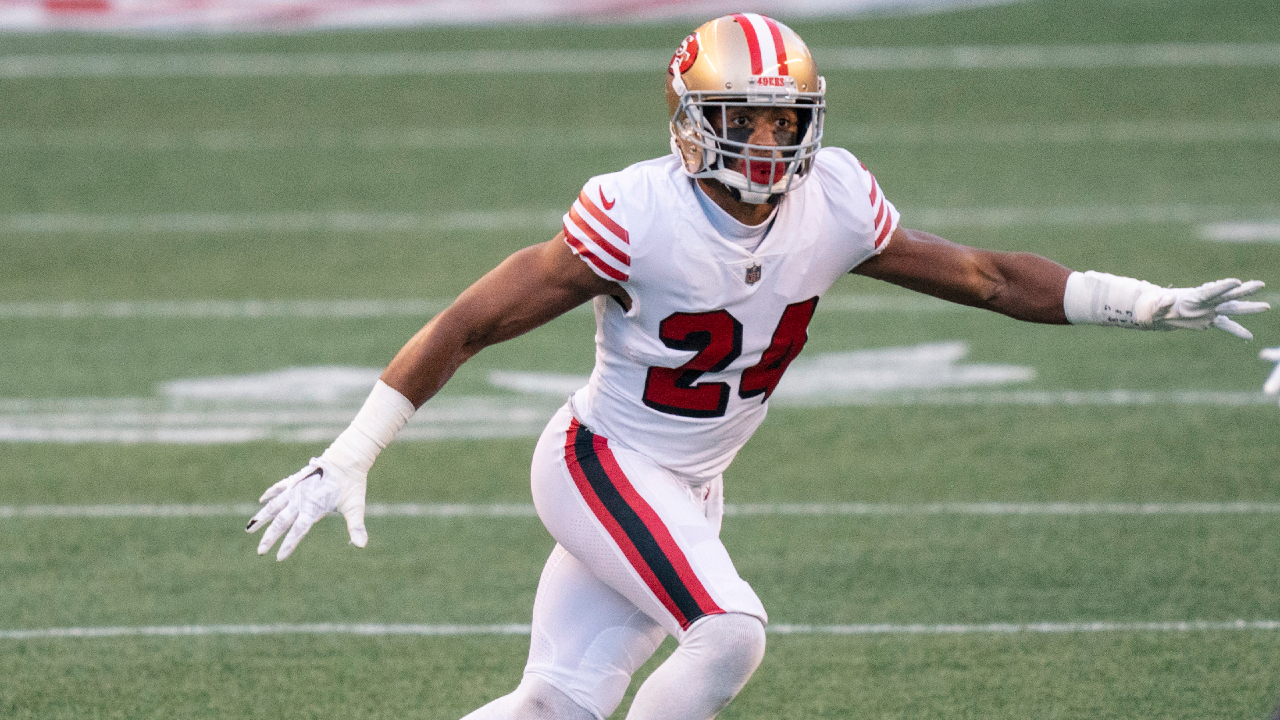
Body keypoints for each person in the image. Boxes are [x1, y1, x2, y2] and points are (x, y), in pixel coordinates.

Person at [246, 14, 1270, 720]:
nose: (771, 144)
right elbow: (468, 322)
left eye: (786, 120)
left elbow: (987, 277)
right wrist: (353, 450)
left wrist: (1136, 301)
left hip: (688, 482)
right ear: (692, 121)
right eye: (746, 120)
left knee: (556, 703)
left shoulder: (831, 202)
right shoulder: (632, 214)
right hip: (604, 463)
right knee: (729, 633)